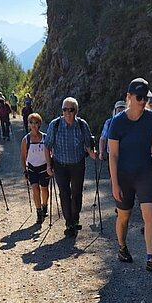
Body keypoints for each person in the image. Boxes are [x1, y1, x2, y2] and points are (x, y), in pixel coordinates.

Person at [108, 77, 152, 274]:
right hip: (124, 175)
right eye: (139, 97)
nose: (143, 102)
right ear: (129, 97)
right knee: (124, 216)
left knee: (151, 216)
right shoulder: (117, 122)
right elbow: (113, 155)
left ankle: (150, 258)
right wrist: (114, 183)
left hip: (146, 173)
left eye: (145, 98)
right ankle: (122, 247)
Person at [45, 97, 96, 237]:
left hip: (78, 164)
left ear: (76, 111)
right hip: (60, 165)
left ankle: (75, 217)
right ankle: (69, 222)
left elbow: (88, 145)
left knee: (77, 192)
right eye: (65, 109)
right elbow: (47, 146)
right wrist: (48, 165)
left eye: (71, 109)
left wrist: (95, 154)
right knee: (64, 193)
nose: (67, 112)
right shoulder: (55, 125)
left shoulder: (82, 125)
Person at [20, 113, 50, 225]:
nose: (33, 125)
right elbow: (23, 157)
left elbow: (51, 152)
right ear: (28, 124)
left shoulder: (46, 137)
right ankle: (39, 213)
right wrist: (25, 170)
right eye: (31, 122)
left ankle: (44, 206)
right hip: (32, 169)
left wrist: (51, 165)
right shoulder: (26, 140)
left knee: (44, 189)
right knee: (35, 189)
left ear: (39, 124)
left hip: (44, 168)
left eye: (36, 122)